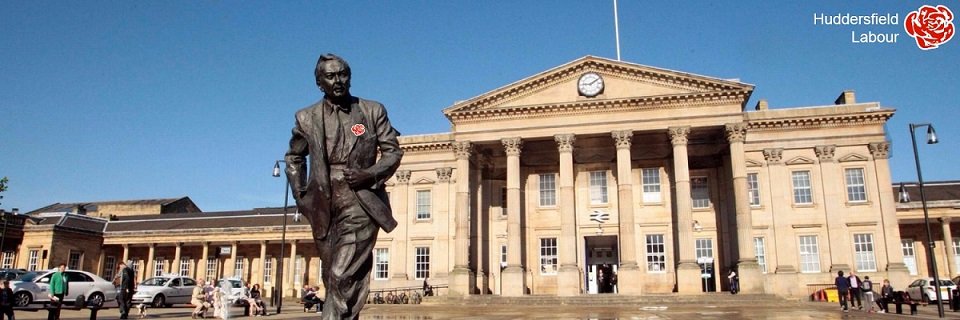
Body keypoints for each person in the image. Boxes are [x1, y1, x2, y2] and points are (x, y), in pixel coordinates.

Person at [284, 53, 403, 320]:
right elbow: (294, 157)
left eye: (343, 74)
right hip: (322, 203)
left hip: (360, 200)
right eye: (331, 76)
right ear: (319, 82)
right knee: (334, 277)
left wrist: (369, 174)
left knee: (341, 273)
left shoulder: (372, 111)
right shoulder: (306, 117)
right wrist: (300, 194)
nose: (338, 80)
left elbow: (392, 152)